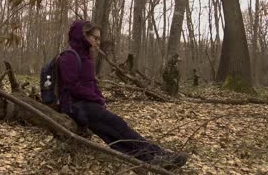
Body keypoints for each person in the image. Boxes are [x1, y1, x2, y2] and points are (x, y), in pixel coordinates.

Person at [57, 20, 187, 170]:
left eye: (99, 38)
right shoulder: (69, 57)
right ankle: (155, 156)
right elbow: (73, 87)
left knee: (110, 133)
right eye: (95, 38)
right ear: (83, 36)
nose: (98, 42)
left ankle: (150, 160)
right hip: (74, 106)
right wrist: (96, 98)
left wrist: (100, 98)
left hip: (87, 104)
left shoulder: (87, 58)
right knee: (118, 124)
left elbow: (92, 84)